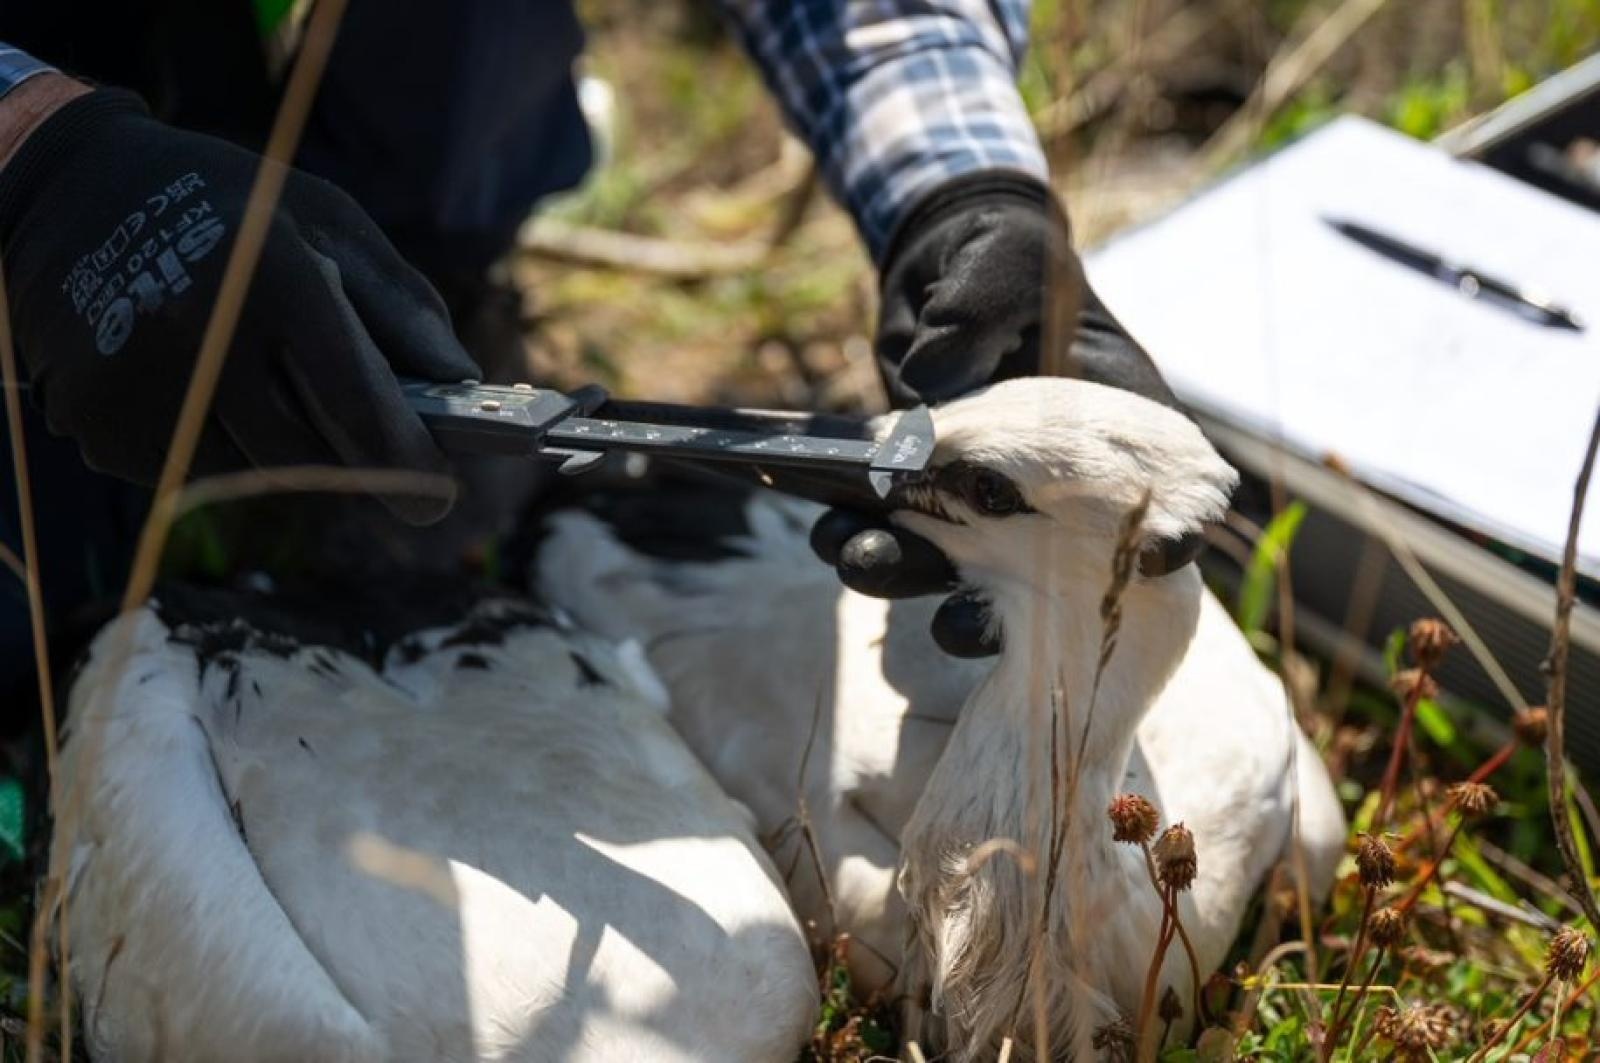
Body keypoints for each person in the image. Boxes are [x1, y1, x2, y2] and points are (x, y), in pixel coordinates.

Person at [0, 0, 1183, 704]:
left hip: (326, 141)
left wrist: (956, 191)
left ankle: (404, 300)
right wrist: (41, 165)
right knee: (34, 621)